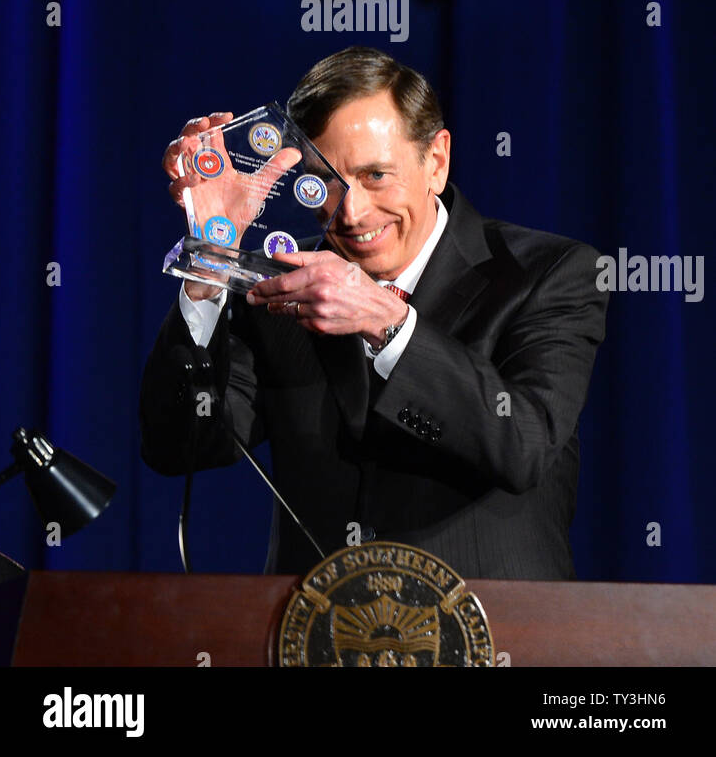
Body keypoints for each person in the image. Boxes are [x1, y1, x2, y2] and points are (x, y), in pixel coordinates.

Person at [140, 47, 608, 580]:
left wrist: (388, 324)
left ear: (436, 161)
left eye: (377, 175)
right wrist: (210, 261)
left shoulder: (549, 274)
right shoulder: (282, 286)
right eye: (327, 183)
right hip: (316, 639)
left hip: (492, 640)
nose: (351, 213)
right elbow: (180, 446)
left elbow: (523, 444)